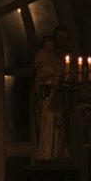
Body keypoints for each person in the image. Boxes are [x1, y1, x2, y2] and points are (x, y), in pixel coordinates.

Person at [34, 32, 70, 161]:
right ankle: (45, 151)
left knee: (54, 122)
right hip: (46, 94)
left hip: (54, 94)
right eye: (47, 44)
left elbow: (60, 72)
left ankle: (55, 150)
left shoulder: (55, 58)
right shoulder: (40, 57)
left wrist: (57, 78)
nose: (49, 47)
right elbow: (40, 75)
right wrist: (48, 79)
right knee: (47, 122)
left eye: (51, 45)